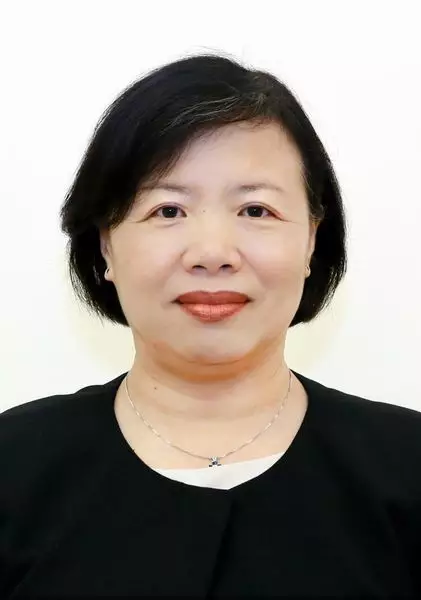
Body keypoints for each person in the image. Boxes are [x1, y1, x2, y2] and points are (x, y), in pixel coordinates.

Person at [1, 52, 420, 599]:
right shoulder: (14, 467)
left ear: (312, 240)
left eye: (255, 211)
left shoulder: (408, 467)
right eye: (168, 211)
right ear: (105, 245)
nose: (213, 253)